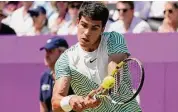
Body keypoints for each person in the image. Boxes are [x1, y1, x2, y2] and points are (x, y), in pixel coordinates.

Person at [52, 1, 141, 112]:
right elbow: (55, 102)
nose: (87, 33)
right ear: (77, 22)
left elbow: (114, 64)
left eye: (94, 28)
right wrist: (70, 100)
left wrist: (108, 83)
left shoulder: (114, 38)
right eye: (84, 25)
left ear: (102, 29)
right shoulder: (65, 59)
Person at [39, 37, 73, 112]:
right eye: (46, 51)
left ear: (62, 53)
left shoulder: (74, 75)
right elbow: (43, 105)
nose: (46, 55)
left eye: (50, 51)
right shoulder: (44, 76)